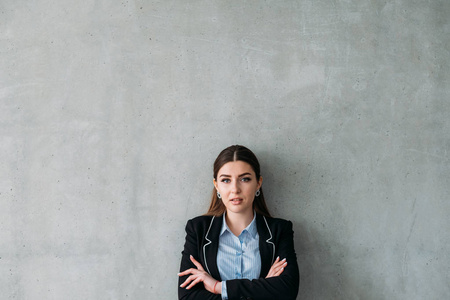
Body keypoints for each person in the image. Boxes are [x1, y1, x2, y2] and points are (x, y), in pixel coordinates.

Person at [178, 145, 299, 300]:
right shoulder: (198, 229)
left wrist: (218, 287)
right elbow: (187, 297)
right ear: (216, 185)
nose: (235, 189)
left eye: (245, 179)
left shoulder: (279, 230)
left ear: (258, 183)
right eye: (226, 180)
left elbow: (287, 292)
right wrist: (263, 287)